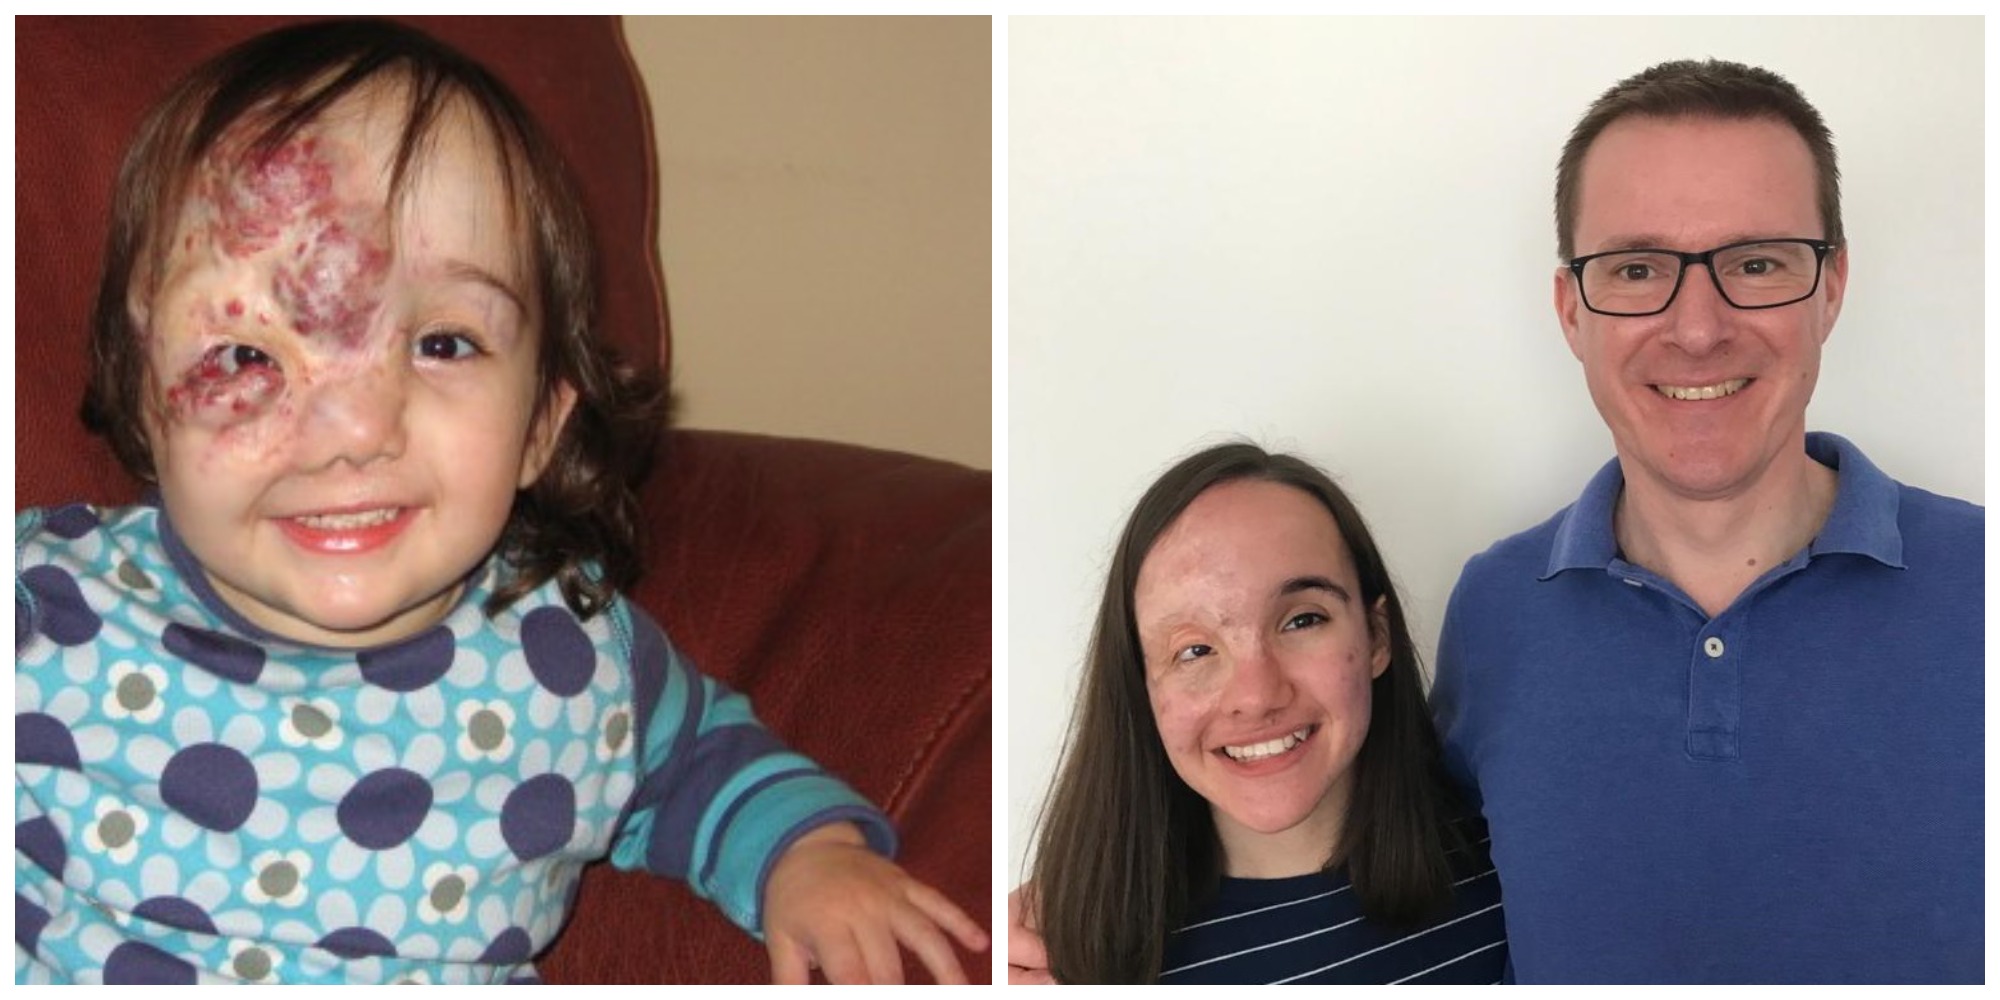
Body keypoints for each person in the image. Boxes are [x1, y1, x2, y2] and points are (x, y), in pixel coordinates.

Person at [13, 20, 983, 985]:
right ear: (144, 401)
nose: (355, 430)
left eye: (441, 343)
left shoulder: (570, 656)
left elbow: (699, 758)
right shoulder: (43, 611)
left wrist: (807, 855)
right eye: (248, 353)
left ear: (541, 422)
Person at [1428, 59, 1982, 982]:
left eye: (1755, 263)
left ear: (1831, 288)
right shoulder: (1493, 612)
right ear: (1572, 311)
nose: (1697, 328)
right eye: (1637, 268)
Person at [1018, 443, 1504, 984]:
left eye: (1301, 620)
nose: (1256, 695)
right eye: (1194, 650)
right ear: (1142, 689)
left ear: (1376, 637)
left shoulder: (1520, 861)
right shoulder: (1067, 963)